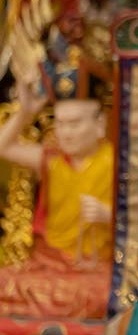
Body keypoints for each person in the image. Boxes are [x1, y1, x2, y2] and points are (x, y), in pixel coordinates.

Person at [0, 51, 114, 319]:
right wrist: (25, 113)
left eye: (75, 124)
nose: (66, 133)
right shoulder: (52, 161)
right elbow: (3, 148)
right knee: (6, 283)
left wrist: (107, 214)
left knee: (102, 294)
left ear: (99, 124)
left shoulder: (116, 162)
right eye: (60, 124)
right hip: (47, 264)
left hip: (94, 268)